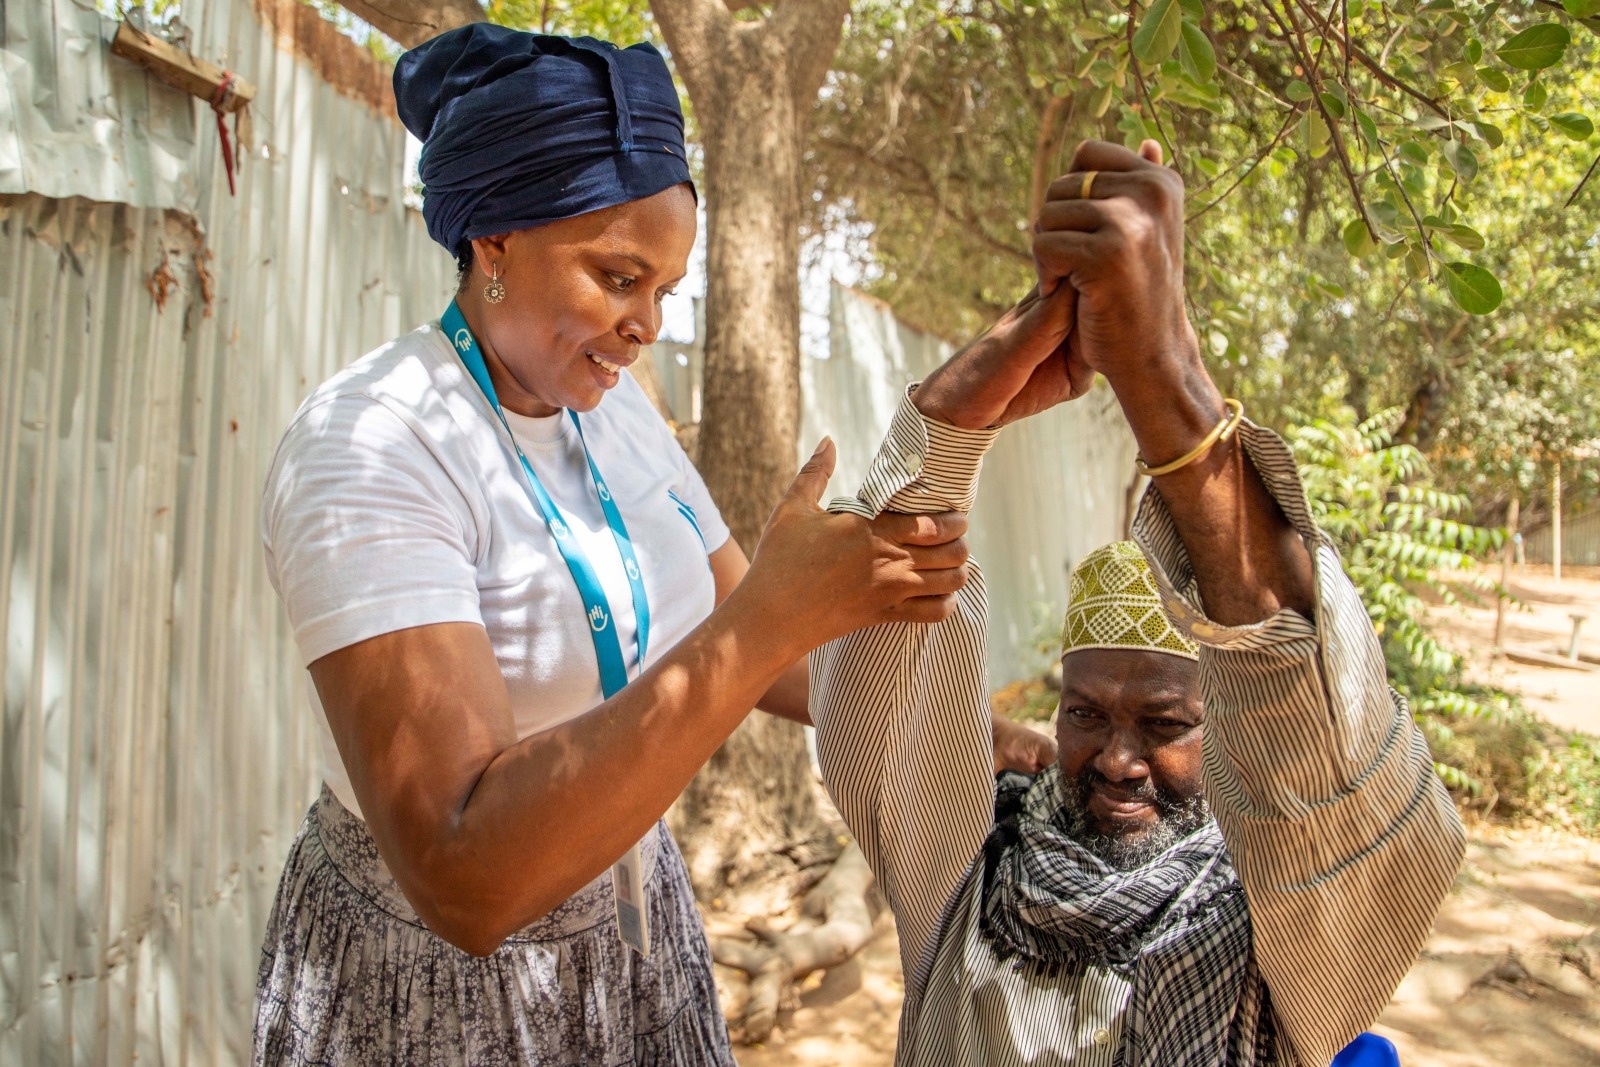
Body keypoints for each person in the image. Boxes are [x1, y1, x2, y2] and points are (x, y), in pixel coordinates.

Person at [252, 24, 1050, 1065]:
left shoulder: (609, 407)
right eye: (618, 276)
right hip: (435, 993)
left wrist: (958, 730)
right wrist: (769, 614)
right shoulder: (374, 447)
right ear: (493, 239)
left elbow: (764, 648)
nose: (645, 325)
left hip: (633, 940)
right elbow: (464, 874)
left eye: (665, 291)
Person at [810, 139, 1466, 1065]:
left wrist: (1166, 379)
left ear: (1230, 725)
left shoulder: (1280, 928)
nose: (1117, 761)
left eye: (1163, 722)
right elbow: (876, 679)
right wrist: (951, 423)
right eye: (1086, 713)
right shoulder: (970, 876)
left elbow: (1326, 770)